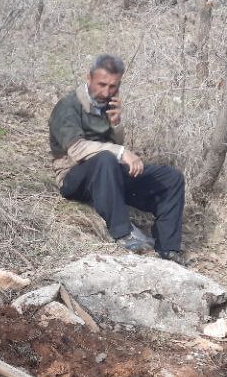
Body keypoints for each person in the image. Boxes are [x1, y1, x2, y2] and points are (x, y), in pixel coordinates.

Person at [48, 54, 186, 263]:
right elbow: (76, 150)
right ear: (89, 77)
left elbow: (114, 143)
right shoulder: (68, 106)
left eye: (113, 86)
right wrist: (122, 153)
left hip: (108, 174)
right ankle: (123, 232)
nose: (106, 92)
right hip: (74, 177)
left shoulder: (107, 104)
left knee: (171, 178)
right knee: (106, 159)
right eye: (101, 84)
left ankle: (168, 249)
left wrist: (116, 124)